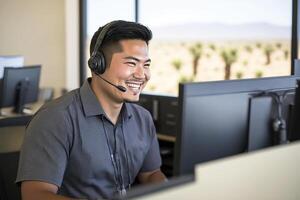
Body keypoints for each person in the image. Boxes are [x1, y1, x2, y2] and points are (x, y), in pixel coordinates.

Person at [16, 20, 166, 200]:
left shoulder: (143, 119)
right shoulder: (55, 119)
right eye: (131, 63)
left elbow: (150, 174)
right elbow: (35, 195)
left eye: (146, 65)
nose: (142, 75)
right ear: (98, 64)